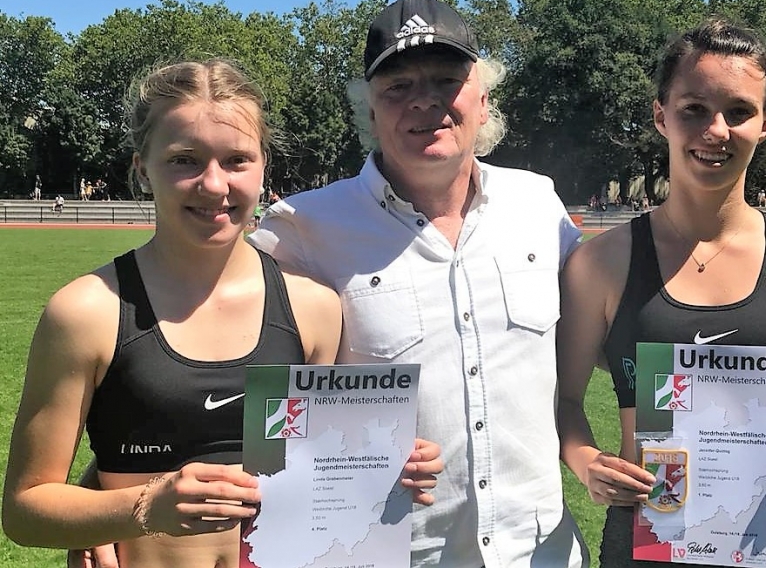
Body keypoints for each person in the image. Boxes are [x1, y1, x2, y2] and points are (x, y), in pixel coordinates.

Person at [2, 59, 440, 568]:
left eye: (236, 160)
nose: (214, 185)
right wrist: (140, 508)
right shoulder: (86, 312)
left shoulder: (312, 307)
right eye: (184, 159)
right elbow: (24, 509)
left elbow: (311, 471)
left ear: (262, 166)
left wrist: (385, 463)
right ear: (142, 168)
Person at [249, 0, 588, 567]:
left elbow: (620, 329)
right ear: (370, 109)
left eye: (446, 80)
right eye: (398, 87)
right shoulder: (302, 229)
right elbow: (231, 384)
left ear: (483, 98)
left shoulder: (538, 202)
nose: (425, 102)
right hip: (391, 552)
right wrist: (116, 481)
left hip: (542, 551)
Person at [556, 19, 766, 567]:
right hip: (645, 542)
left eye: (740, 112)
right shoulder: (600, 263)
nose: (716, 130)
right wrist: (585, 459)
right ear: (661, 115)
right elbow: (562, 399)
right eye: (694, 109)